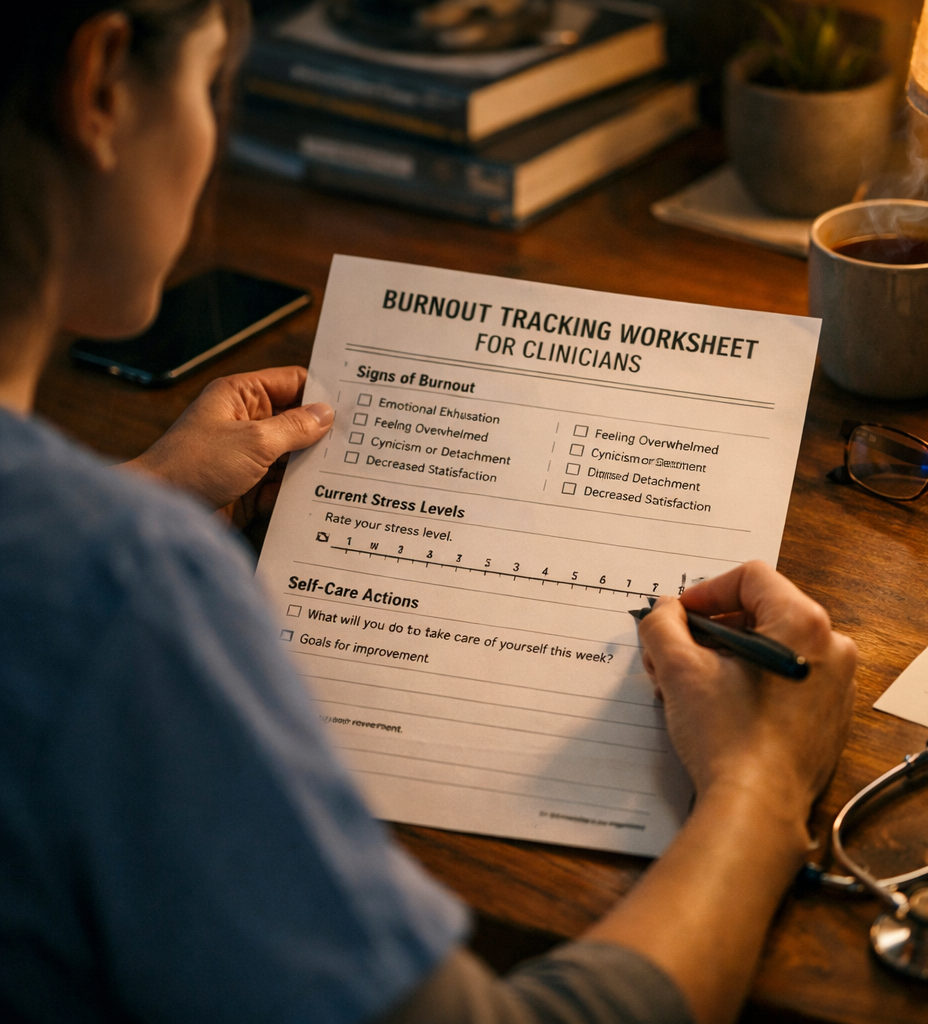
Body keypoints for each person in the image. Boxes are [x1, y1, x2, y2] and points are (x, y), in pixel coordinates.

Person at [0, 2, 859, 1022]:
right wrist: (762, 789)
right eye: (209, 81)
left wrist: (134, 489)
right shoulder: (122, 587)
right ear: (99, 85)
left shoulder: (94, 556)